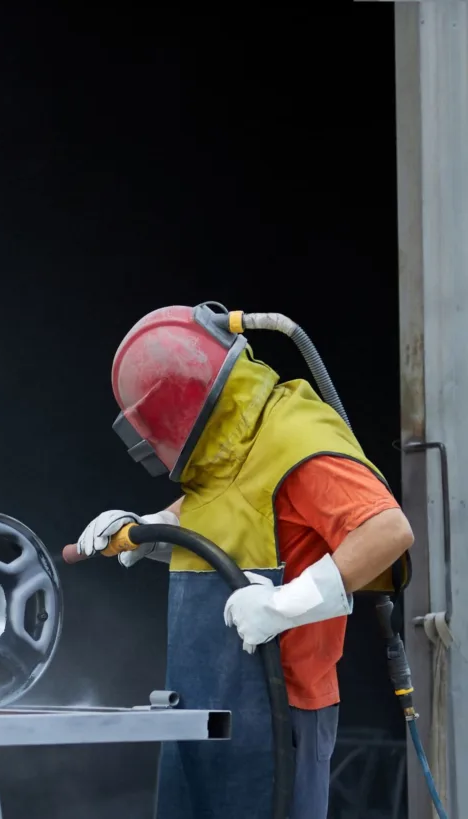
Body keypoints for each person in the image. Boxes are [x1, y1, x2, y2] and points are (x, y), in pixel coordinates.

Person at [73, 304, 414, 819]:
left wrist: (285, 603)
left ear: (180, 410)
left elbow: (387, 530)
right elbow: (226, 504)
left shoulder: (297, 437)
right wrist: (150, 528)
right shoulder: (228, 445)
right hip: (202, 697)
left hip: (282, 709)